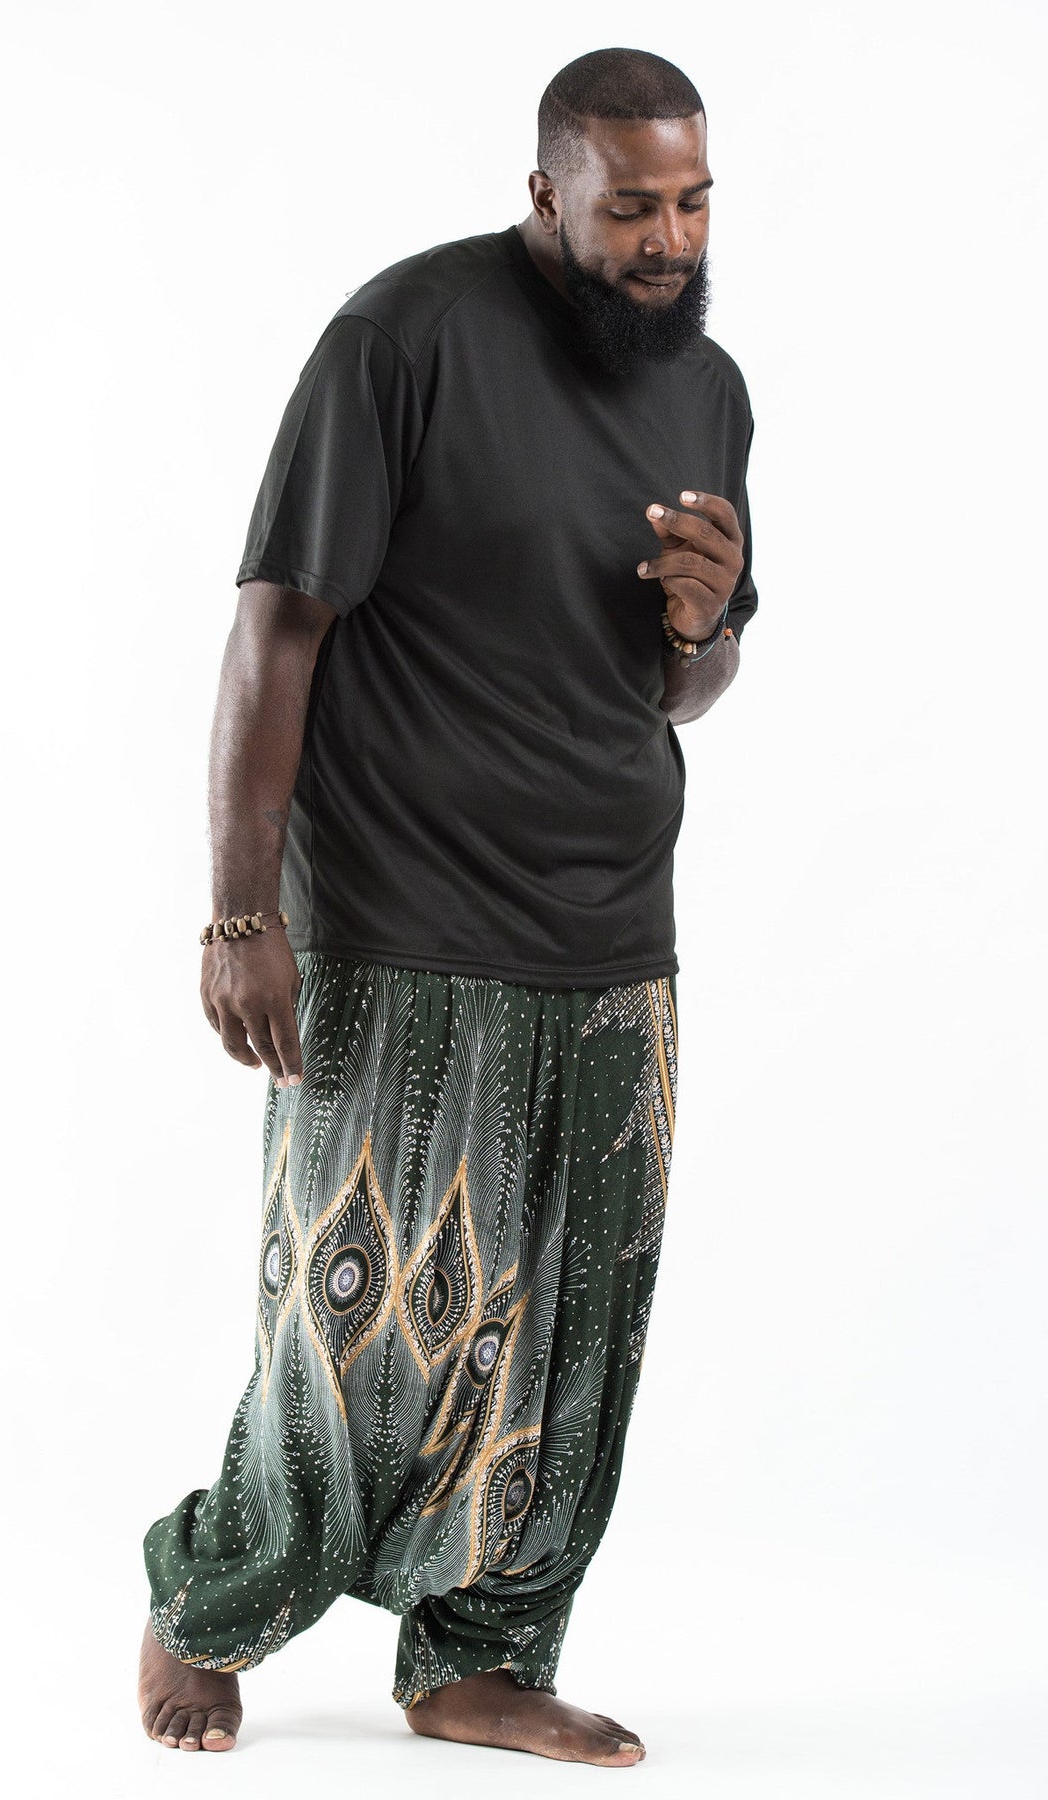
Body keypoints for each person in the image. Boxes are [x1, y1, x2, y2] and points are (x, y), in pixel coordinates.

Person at [138, 44, 759, 1767]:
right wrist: (239, 912)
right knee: (359, 1328)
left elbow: (680, 688)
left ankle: (479, 1656)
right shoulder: (400, 339)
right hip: (403, 917)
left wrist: (705, 625)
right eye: (629, 206)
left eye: (692, 202)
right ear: (546, 188)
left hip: (612, 931)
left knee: (573, 1334)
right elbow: (277, 624)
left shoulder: (707, 388)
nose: (666, 238)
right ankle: (208, 1602)